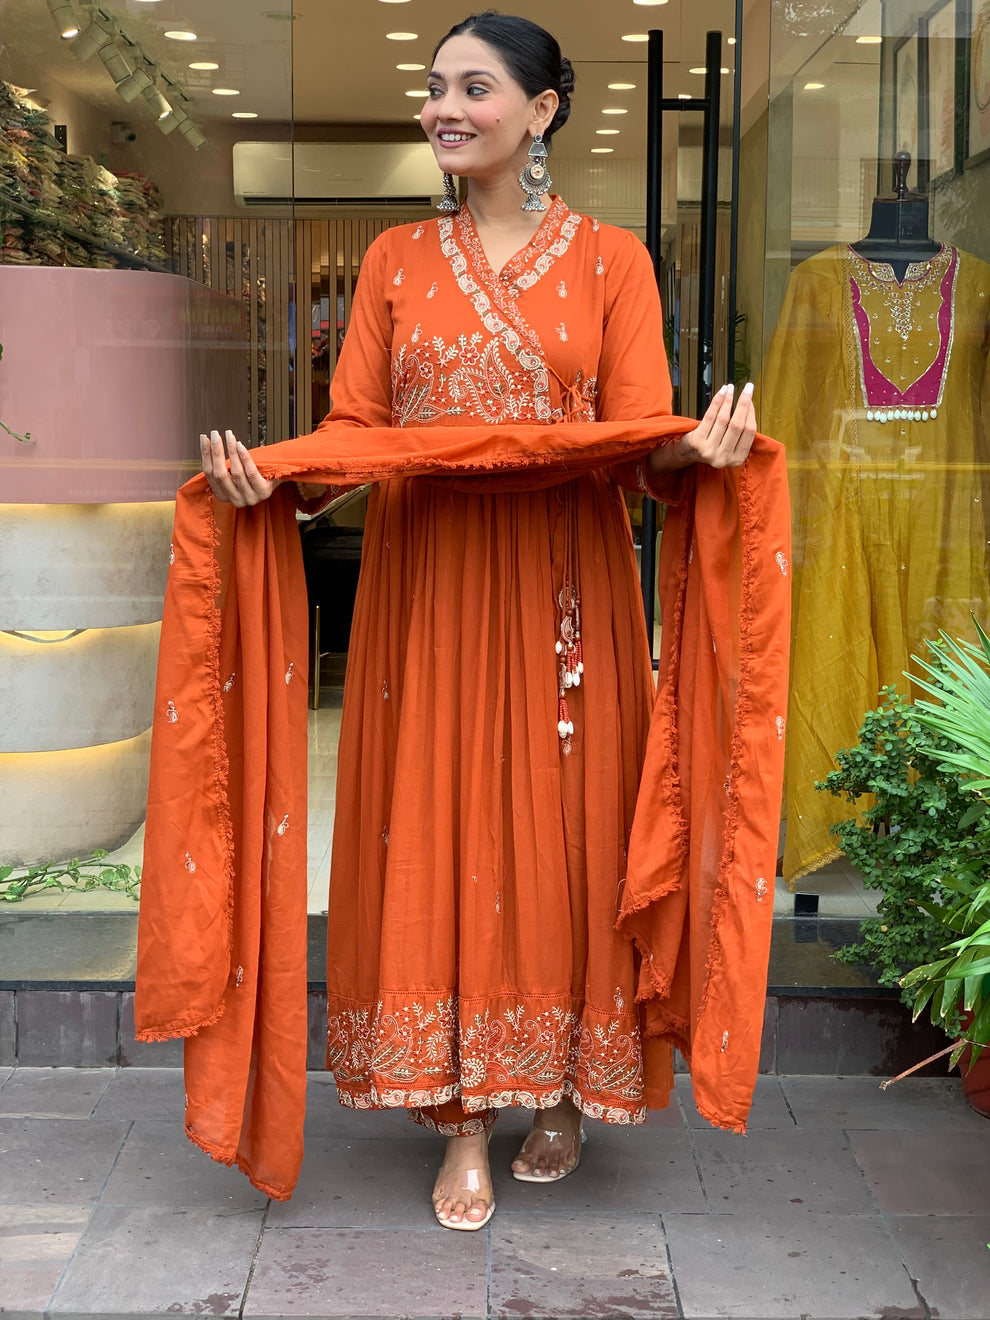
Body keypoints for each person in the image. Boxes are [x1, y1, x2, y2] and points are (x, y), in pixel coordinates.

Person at [195, 12, 759, 1230]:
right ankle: (461, 1118)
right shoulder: (395, 260)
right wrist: (276, 483)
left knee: (568, 826)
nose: (443, 109)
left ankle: (558, 1083)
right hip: (429, 587)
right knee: (438, 820)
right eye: (434, 88)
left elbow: (638, 440)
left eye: (473, 88)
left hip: (567, 590)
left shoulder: (613, 260)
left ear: (543, 110)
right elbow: (355, 432)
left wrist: (702, 449)